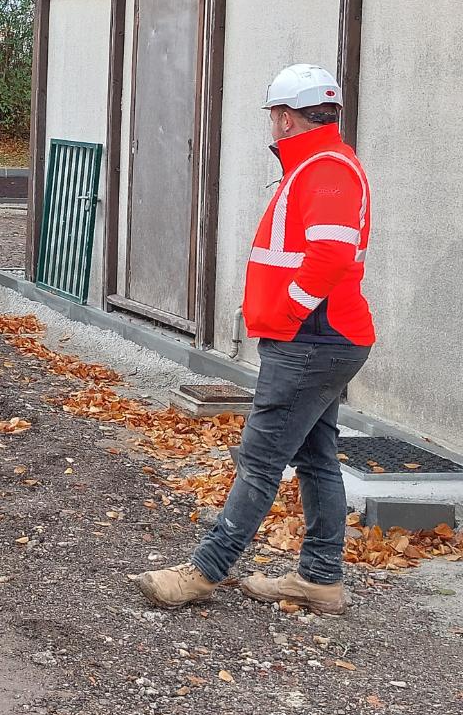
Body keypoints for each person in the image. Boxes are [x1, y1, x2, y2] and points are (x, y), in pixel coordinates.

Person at [134, 64, 375, 615]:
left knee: (260, 458)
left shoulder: (326, 169)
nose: (271, 124)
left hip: (313, 341)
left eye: (273, 115)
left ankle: (204, 570)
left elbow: (332, 255)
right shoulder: (320, 165)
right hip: (319, 338)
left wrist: (286, 313)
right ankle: (320, 579)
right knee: (316, 458)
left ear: (287, 117)